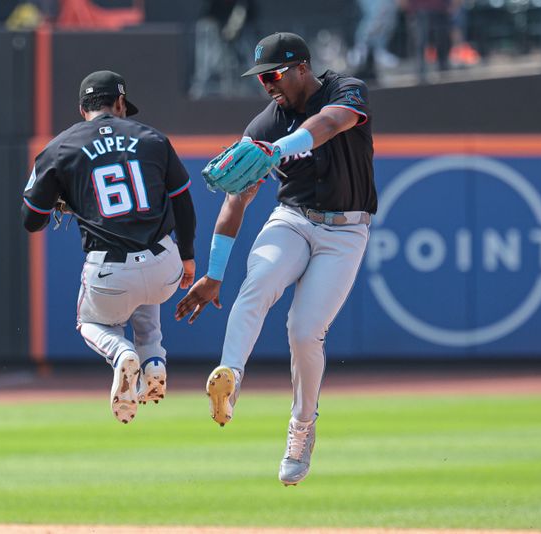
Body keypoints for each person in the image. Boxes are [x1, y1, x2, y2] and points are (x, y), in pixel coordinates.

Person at [176, 32, 376, 486]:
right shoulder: (265, 124)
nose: (266, 84)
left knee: (304, 332)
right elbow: (235, 201)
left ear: (301, 67)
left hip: (346, 231)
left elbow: (331, 123)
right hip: (293, 219)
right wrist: (212, 274)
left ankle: (302, 427)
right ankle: (230, 375)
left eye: (273, 74)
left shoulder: (345, 89)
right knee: (257, 283)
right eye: (260, 77)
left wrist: (278, 149)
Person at [22, 70, 197, 424]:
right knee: (146, 296)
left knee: (90, 322)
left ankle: (121, 354)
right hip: (165, 264)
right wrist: (189, 257)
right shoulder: (153, 139)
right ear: (119, 103)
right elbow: (183, 203)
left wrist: (65, 198)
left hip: (109, 272)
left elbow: (32, 219)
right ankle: (154, 361)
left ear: (81, 108)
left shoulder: (59, 148)